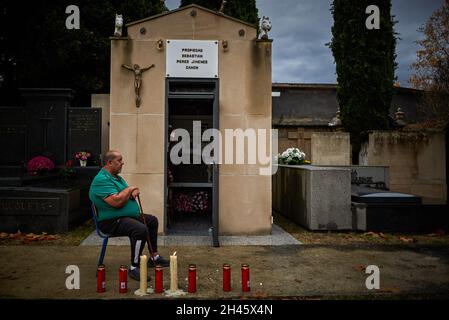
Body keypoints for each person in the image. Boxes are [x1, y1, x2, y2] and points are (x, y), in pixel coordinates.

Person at [89, 150, 169, 281]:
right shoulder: (101, 180)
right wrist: (130, 189)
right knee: (140, 229)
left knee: (152, 221)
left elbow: (127, 194)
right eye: (119, 161)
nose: (122, 163)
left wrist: (132, 191)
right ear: (109, 163)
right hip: (110, 221)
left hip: (123, 217)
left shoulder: (116, 178)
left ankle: (154, 257)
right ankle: (134, 267)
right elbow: (117, 201)